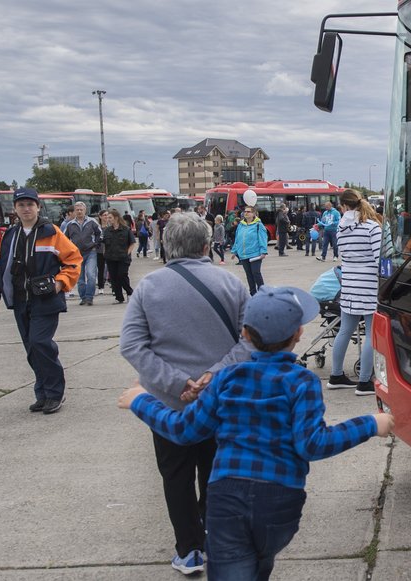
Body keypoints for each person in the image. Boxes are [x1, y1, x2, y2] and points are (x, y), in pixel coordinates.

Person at [118, 284, 394, 581]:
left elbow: (183, 430)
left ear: (245, 334)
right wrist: (370, 424)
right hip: (280, 503)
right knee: (258, 565)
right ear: (299, 333)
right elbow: (312, 444)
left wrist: (140, 400)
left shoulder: (226, 379)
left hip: (226, 498)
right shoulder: (302, 382)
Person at [119, 212, 252, 577]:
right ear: (207, 246)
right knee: (215, 470)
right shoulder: (232, 283)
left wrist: (178, 383)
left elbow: (132, 345)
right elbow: (250, 342)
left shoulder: (149, 287)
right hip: (220, 400)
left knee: (176, 475)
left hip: (169, 404)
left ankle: (189, 550)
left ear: (166, 245)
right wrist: (214, 375)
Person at [0, 188, 81, 414]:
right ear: (15, 209)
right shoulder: (10, 235)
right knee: (31, 348)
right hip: (20, 300)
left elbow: (74, 260)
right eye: (21, 205)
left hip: (46, 300)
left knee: (40, 343)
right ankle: (43, 393)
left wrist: (60, 283)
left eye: (30, 204)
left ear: (38, 207)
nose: (26, 209)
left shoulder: (52, 232)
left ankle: (55, 393)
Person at [326, 190, 382, 395]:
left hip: (349, 286)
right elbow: (380, 260)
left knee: (344, 331)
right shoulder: (372, 227)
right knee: (370, 335)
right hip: (368, 287)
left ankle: (336, 375)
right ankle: (364, 381)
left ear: (343, 206)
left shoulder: (341, 228)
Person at [64, 202, 102, 306]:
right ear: (74, 211)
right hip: (76, 254)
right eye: (77, 210)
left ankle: (89, 297)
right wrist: (69, 250)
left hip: (91, 252)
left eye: (81, 209)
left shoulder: (92, 221)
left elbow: (100, 233)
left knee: (91, 275)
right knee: (79, 278)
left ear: (85, 210)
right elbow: (64, 239)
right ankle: (83, 297)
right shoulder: (70, 224)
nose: (79, 211)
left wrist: (95, 244)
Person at [231, 206, 268, 295]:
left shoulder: (258, 225)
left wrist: (263, 251)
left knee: (256, 273)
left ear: (254, 213)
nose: (246, 213)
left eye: (248, 211)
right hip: (243, 254)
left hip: (255, 254)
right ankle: (252, 294)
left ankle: (263, 293)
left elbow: (263, 238)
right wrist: (234, 251)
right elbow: (237, 238)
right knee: (249, 275)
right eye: (245, 211)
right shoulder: (241, 225)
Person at [103, 209, 136, 304]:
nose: (108, 219)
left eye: (110, 217)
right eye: (107, 218)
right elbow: (104, 244)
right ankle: (119, 297)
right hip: (111, 257)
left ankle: (130, 293)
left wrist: (127, 253)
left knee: (122, 275)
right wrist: (105, 254)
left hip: (123, 257)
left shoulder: (126, 229)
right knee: (114, 278)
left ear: (116, 218)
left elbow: (132, 243)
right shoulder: (107, 231)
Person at [96, 210, 110, 295]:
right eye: (104, 215)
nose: (106, 217)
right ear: (100, 216)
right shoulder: (97, 227)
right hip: (100, 251)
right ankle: (101, 286)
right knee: (101, 269)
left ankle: (112, 284)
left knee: (111, 268)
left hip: (109, 250)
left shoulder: (110, 227)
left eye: (107, 215)